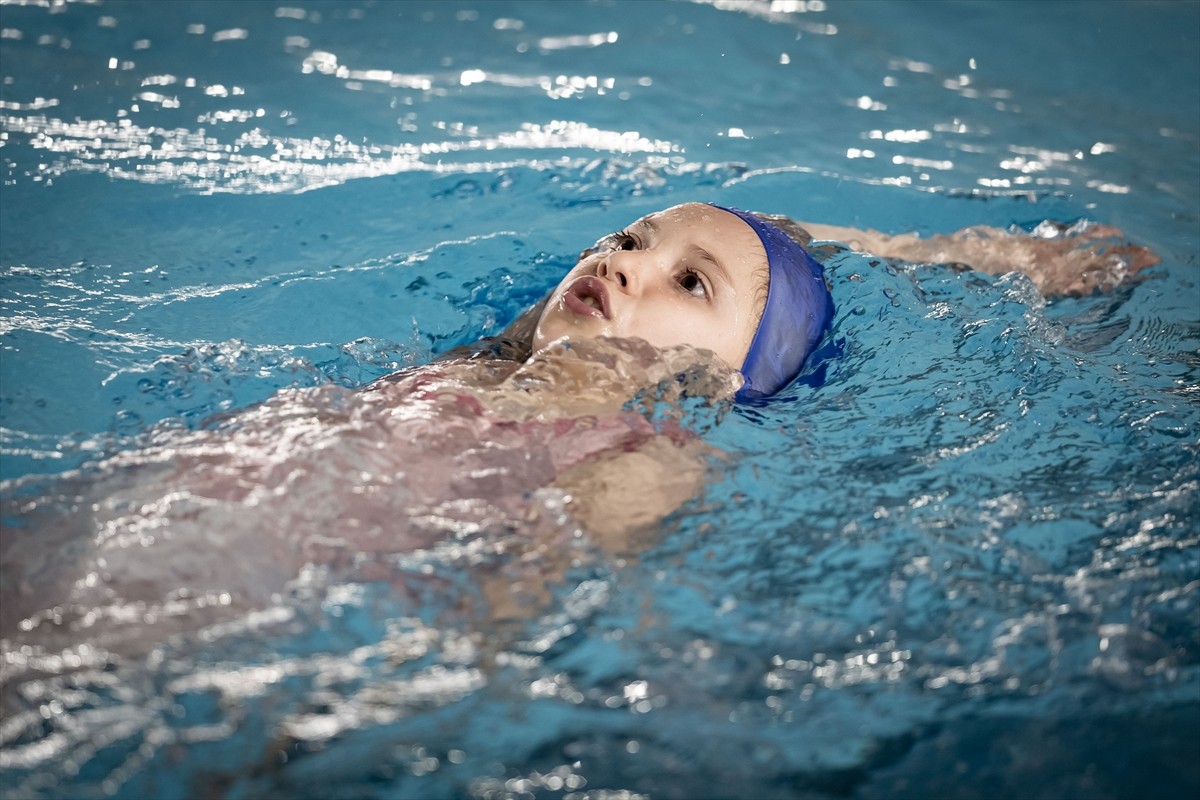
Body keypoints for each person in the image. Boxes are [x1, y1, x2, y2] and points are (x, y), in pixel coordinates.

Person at [0, 202, 1158, 659]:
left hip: (220, 611)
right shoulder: (513, 353)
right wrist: (954, 254)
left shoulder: (639, 447)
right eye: (634, 234)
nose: (626, 260)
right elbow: (785, 237)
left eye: (688, 283)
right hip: (105, 514)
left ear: (730, 382)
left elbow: (525, 604)